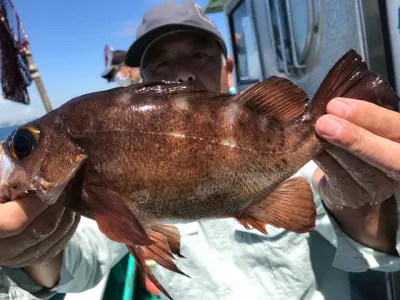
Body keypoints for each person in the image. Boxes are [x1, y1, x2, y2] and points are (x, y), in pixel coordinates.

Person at [1, 1, 400, 299]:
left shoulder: (291, 153)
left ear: (228, 66)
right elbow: (77, 262)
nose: (184, 72)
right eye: (160, 62)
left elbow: (367, 237)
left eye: (200, 53)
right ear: (142, 82)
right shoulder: (81, 189)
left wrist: (371, 197)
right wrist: (32, 250)